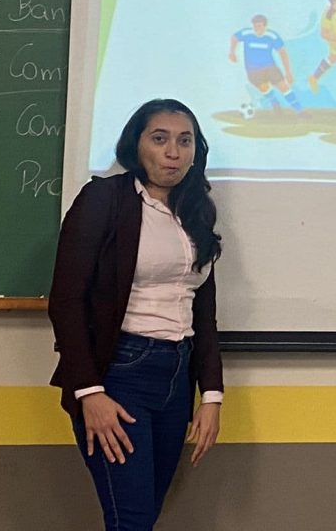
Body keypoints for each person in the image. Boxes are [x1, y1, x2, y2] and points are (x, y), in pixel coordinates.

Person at [48, 99, 224, 531]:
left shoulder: (195, 212)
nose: (173, 152)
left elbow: (203, 314)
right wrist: (89, 391)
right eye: (160, 139)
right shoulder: (104, 199)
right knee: (131, 520)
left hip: (177, 377)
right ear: (136, 145)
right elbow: (66, 300)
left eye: (185, 141)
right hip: (121, 373)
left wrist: (211, 396)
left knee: (145, 515)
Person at [229, 13, 305, 114]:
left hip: (270, 68)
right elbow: (234, 37)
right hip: (253, 70)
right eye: (255, 26)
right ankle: (275, 104)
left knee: (283, 86)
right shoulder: (247, 33)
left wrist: (288, 72)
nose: (256, 28)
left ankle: (300, 111)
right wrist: (232, 52)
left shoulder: (272, 36)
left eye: (259, 26)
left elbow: (282, 52)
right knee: (264, 87)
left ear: (265, 26)